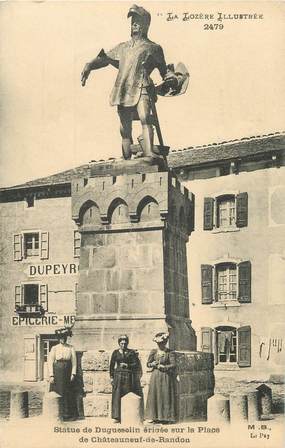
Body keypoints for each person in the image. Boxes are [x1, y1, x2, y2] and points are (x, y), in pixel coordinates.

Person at [81, 4, 177, 160]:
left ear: (146, 24)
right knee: (125, 129)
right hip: (124, 89)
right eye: (132, 21)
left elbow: (164, 70)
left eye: (138, 21)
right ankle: (127, 159)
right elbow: (104, 58)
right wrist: (89, 65)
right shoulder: (122, 48)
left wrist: (171, 78)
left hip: (143, 86)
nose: (134, 24)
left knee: (146, 118)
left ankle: (149, 153)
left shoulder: (154, 48)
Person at [109, 335, 143, 423]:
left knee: (127, 394)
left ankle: (127, 414)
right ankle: (117, 417)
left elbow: (136, 364)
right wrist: (111, 377)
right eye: (121, 343)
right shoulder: (115, 353)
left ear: (127, 343)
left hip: (128, 376)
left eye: (125, 343)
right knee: (117, 395)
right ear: (119, 343)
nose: (123, 345)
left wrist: (127, 365)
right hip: (118, 377)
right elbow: (112, 366)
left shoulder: (131, 353)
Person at [145, 332, 176, 423]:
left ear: (165, 342)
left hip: (165, 376)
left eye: (162, 343)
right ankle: (154, 417)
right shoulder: (153, 352)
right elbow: (148, 364)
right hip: (155, 376)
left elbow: (173, 365)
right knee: (155, 395)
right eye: (159, 343)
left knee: (165, 395)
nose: (160, 345)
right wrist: (152, 364)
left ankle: (166, 417)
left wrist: (165, 367)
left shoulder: (170, 352)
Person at [48, 327, 77, 420]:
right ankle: (58, 412)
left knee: (68, 392)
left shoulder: (71, 348)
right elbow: (50, 362)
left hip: (67, 370)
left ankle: (68, 414)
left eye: (64, 337)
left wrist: (73, 374)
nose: (62, 339)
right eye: (61, 337)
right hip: (58, 371)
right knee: (58, 391)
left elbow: (74, 362)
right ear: (58, 338)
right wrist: (51, 375)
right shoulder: (54, 348)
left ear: (66, 338)